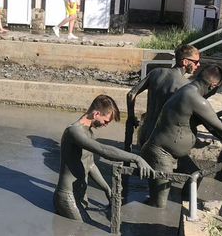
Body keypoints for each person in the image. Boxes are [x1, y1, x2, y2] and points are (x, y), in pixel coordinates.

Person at [140, 65, 222, 209]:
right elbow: (220, 127)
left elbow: (209, 124)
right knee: (158, 205)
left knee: (196, 175)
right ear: (212, 86)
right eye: (217, 90)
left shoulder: (187, 90)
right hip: (160, 153)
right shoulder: (195, 98)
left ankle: (184, 207)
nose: (215, 93)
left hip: (173, 153)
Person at [54, 94, 155, 222]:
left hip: (80, 196)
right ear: (96, 114)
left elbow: (90, 165)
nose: (105, 125)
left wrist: (107, 189)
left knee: (81, 232)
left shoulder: (88, 132)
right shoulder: (74, 132)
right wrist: (136, 158)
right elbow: (104, 150)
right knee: (83, 230)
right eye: (105, 121)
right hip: (67, 197)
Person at [126, 44, 201, 150]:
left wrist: (131, 117)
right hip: (159, 138)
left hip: (144, 133)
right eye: (196, 62)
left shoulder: (155, 73)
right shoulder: (185, 86)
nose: (198, 65)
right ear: (184, 62)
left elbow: (131, 94)